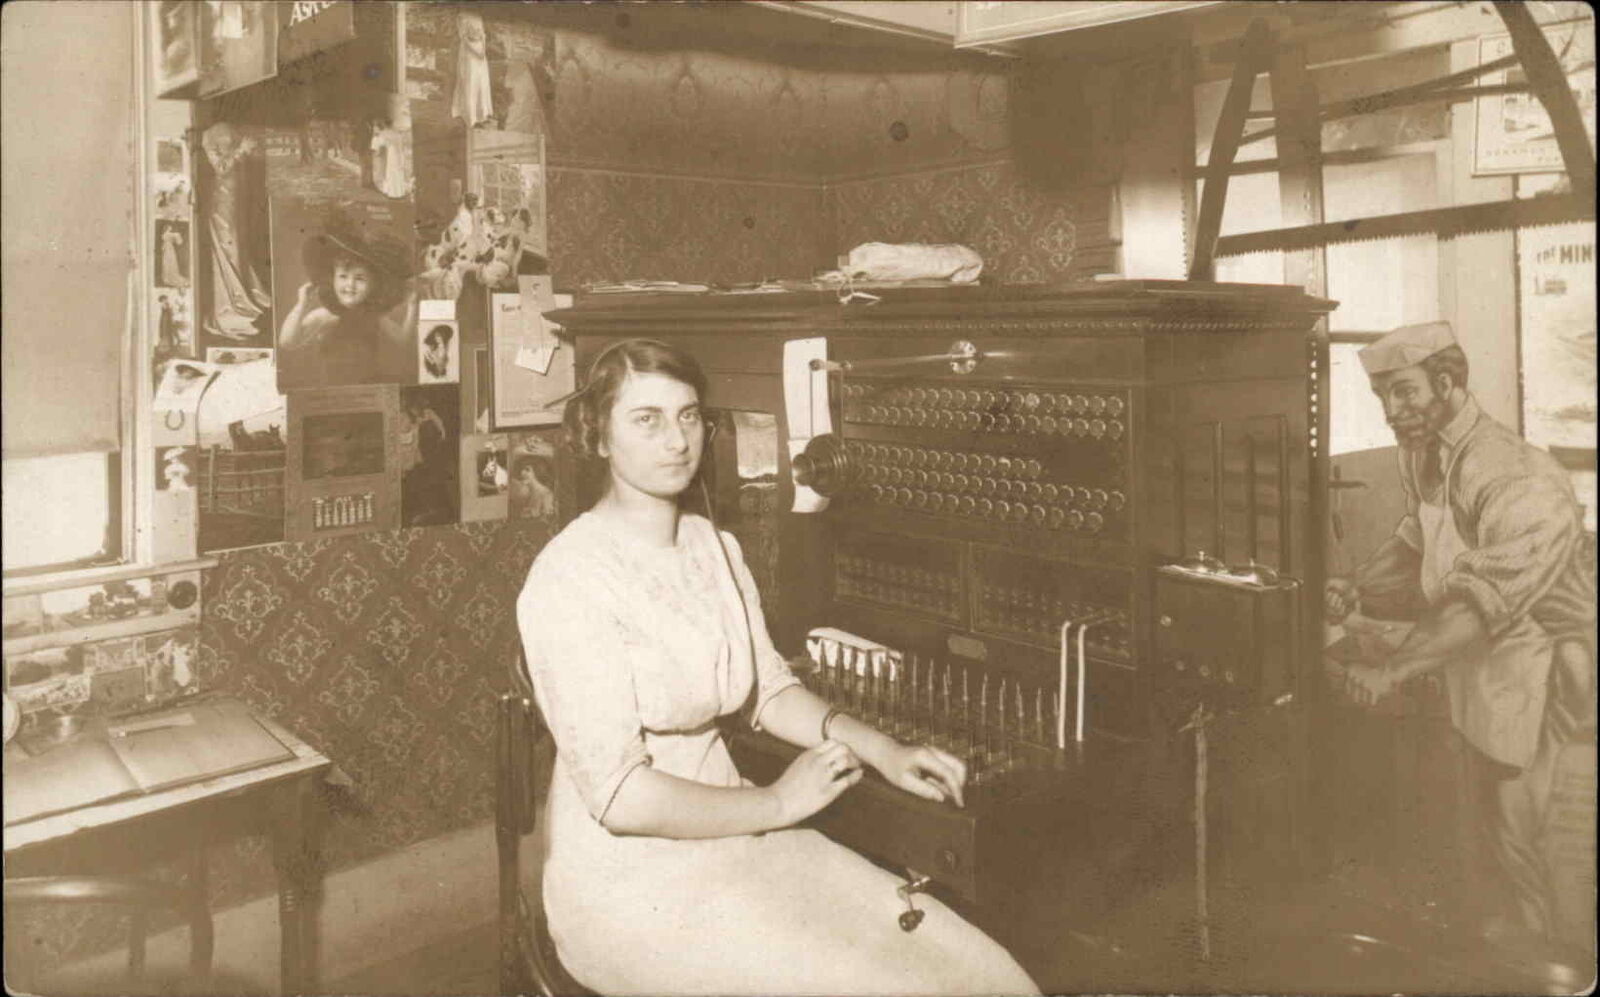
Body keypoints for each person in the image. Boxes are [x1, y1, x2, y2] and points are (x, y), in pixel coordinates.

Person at [516, 339, 1038, 995]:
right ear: (598, 437)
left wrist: (885, 749)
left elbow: (767, 691)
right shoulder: (569, 578)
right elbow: (621, 796)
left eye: (688, 416)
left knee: (982, 971)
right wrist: (779, 800)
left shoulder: (714, 545)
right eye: (646, 419)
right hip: (635, 884)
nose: (676, 440)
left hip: (745, 834)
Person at [1325, 321, 1595, 962]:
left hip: (1549, 675)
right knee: (1485, 840)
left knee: (1528, 837)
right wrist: (1357, 587)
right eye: (1383, 396)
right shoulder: (1427, 451)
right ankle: (1499, 955)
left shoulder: (1514, 473)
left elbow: (1483, 599)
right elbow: (1418, 538)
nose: (1393, 412)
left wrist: (1393, 672)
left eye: (1404, 393)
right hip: (1481, 667)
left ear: (1446, 383)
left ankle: (1560, 966)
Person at [277, 213, 415, 389]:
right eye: (343, 276)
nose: (350, 285)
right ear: (332, 279)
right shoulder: (326, 315)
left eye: (360, 279)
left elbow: (403, 340)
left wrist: (412, 306)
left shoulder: (374, 316)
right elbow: (287, 342)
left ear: (374, 286)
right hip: (332, 392)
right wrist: (301, 305)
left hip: (369, 388)